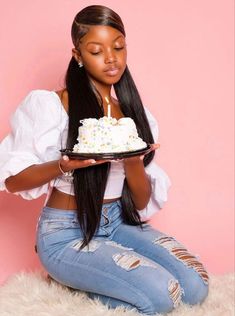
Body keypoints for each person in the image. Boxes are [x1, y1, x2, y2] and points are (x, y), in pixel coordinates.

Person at [0, 5, 209, 315]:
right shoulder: (52, 106)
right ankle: (72, 280)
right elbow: (12, 180)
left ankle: (86, 279)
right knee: (162, 295)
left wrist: (135, 159)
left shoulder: (132, 113)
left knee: (195, 286)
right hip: (65, 232)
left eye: (119, 47)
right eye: (96, 51)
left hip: (119, 223)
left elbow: (139, 203)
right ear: (78, 55)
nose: (111, 58)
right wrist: (63, 165)